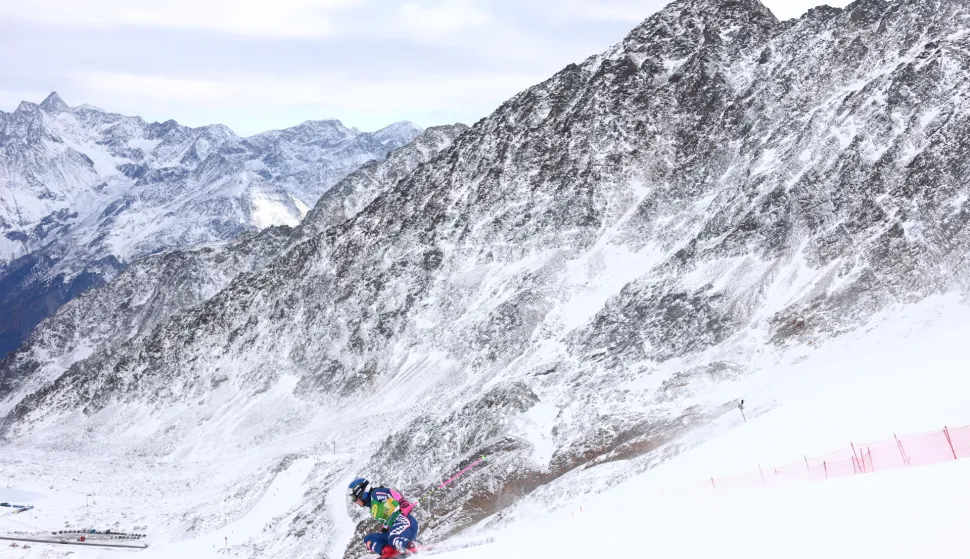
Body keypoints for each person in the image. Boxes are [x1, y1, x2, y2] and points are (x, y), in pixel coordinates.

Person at [349, 478, 419, 558]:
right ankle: (390, 552)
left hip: (404, 521)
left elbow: (391, 492)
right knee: (369, 539)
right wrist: (384, 529)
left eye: (354, 498)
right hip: (396, 526)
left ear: (361, 493)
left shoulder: (375, 494)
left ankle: (413, 547)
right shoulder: (372, 507)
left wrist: (402, 502)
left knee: (393, 539)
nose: (354, 502)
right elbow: (388, 519)